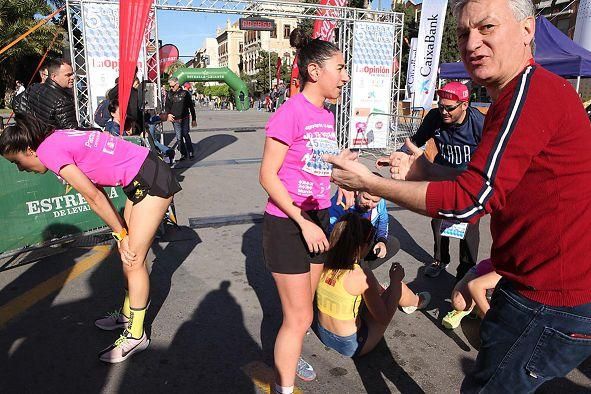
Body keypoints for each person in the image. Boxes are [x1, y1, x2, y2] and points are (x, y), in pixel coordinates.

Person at [324, 0, 591, 391]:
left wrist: (370, 185)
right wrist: (426, 171)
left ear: (527, 31)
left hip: (547, 299)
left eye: (486, 28)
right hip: (535, 287)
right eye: (464, 33)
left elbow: (471, 198)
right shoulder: (518, 95)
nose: (471, 43)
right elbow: (493, 181)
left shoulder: (528, 94)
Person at [0, 114, 181, 363]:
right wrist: (122, 234)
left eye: (17, 162)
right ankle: (128, 316)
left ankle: (136, 335)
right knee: (128, 254)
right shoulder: (53, 139)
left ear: (29, 149)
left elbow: (94, 196)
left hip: (151, 179)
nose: (21, 169)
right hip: (138, 178)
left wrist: (121, 233)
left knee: (133, 259)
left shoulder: (49, 151)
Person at [259, 34, 349, 394]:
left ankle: (290, 355)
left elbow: (316, 163)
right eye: (340, 68)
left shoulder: (326, 115)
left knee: (303, 311)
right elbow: (267, 174)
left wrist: (342, 176)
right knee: (298, 318)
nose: (344, 77)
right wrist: (300, 221)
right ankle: (284, 388)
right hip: (288, 224)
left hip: (319, 218)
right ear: (315, 70)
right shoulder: (290, 111)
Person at [314, 213, 430, 357]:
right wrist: (395, 281)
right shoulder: (360, 275)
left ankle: (409, 300)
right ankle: (416, 302)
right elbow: (383, 318)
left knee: (364, 296)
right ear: (363, 246)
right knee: (399, 287)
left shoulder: (322, 263)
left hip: (323, 333)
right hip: (351, 344)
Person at [407, 82, 484, 280]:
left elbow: (493, 151)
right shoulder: (435, 117)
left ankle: (467, 269)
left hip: (468, 179)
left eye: (450, 108)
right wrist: (399, 155)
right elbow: (417, 140)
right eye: (441, 106)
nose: (444, 112)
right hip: (442, 173)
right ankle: (440, 259)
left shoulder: (478, 122)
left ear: (464, 105)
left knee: (469, 224)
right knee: (438, 219)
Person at [328, 180, 400, 270]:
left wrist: (381, 241)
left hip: (364, 242)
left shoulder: (380, 202)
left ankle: (361, 270)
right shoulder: (340, 204)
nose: (369, 204)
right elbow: (332, 235)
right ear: (358, 191)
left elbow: (383, 221)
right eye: (366, 198)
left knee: (393, 244)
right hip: (343, 244)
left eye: (375, 201)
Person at [12, 58, 78, 129]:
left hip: (33, 136)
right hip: (49, 138)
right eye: (68, 75)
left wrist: (29, 127)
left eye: (72, 74)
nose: (73, 77)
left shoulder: (34, 87)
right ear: (53, 76)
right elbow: (71, 132)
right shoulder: (63, 102)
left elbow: (16, 103)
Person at [441, 258, 501, 329]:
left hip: (504, 286)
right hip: (483, 273)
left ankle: (477, 309)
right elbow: (475, 286)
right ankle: (472, 308)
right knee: (459, 303)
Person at [165, 77, 196, 161]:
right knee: (179, 137)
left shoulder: (185, 93)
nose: (171, 88)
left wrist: (194, 119)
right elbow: (167, 106)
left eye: (173, 86)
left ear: (177, 84)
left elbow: (191, 107)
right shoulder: (169, 94)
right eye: (170, 86)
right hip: (175, 119)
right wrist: (168, 114)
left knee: (185, 134)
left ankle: (190, 152)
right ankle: (183, 154)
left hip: (185, 118)